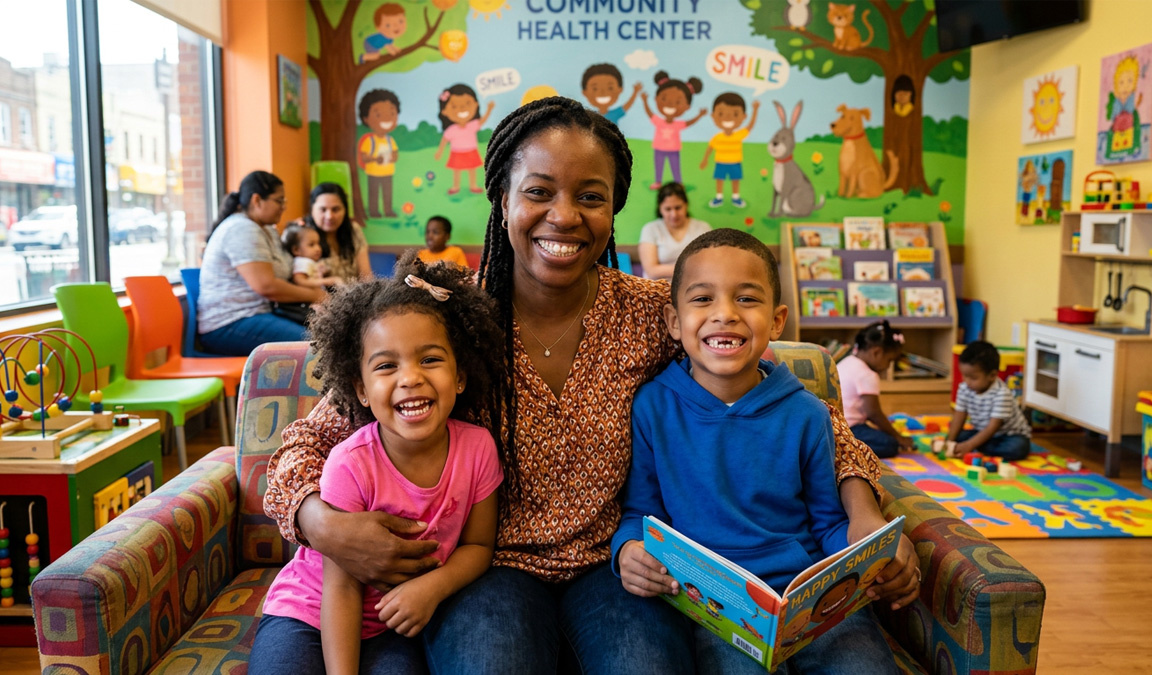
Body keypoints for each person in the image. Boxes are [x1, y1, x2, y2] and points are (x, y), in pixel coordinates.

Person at [263, 97, 918, 674]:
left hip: (615, 566)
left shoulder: (654, 311)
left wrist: (864, 512)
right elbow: (307, 439)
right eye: (539, 191)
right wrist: (321, 522)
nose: (564, 216)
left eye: (591, 196)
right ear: (502, 198)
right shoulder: (449, 320)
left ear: (613, 210)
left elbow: (805, 411)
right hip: (490, 569)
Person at [613, 229, 897, 674]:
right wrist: (627, 548)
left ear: (777, 320)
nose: (724, 314)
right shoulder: (652, 406)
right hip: (717, 607)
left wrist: (869, 558)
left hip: (809, 598)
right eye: (703, 299)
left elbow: (826, 522)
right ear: (673, 320)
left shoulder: (806, 413)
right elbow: (642, 512)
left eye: (746, 299)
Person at [249, 256, 507, 674]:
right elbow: (341, 588)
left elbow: (478, 547)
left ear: (461, 376)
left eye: (430, 360)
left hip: (392, 622)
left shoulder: (478, 449)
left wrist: (430, 588)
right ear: (361, 391)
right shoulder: (349, 464)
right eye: (387, 366)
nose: (410, 378)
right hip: (310, 609)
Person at [198, 171, 324, 356]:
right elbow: (266, 286)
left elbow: (287, 271)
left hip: (261, 314)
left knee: (329, 333)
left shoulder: (267, 230)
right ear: (257, 200)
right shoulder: (242, 228)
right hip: (229, 323)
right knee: (317, 347)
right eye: (279, 201)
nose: (283, 207)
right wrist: (315, 295)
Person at [838, 321, 915, 459]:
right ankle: (845, 449)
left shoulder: (847, 361)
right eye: (889, 360)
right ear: (876, 352)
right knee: (889, 444)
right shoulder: (867, 374)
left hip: (834, 426)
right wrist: (898, 437)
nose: (888, 365)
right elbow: (873, 413)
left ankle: (841, 445)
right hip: (850, 428)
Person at [947, 340, 1032, 461]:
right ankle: (980, 446)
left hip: (1008, 435)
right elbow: (959, 415)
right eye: (964, 375)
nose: (967, 381)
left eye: (973, 378)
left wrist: (969, 445)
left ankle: (978, 446)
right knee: (958, 435)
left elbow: (993, 427)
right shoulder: (964, 388)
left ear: (992, 375)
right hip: (982, 432)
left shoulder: (1001, 394)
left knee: (1018, 448)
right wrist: (949, 441)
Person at [639, 70, 707, 190]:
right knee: (659, 166)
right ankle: (658, 182)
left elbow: (689, 122)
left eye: (678, 102)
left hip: (673, 150)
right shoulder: (659, 121)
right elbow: (650, 113)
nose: (670, 104)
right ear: (656, 99)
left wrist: (700, 116)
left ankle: (678, 182)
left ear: (687, 106)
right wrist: (644, 101)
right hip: (659, 149)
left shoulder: (678, 124)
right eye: (664, 99)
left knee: (675, 166)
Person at [302, 183, 375, 283]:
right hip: (320, 297)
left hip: (355, 295)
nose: (329, 216)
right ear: (312, 210)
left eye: (335, 209)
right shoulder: (302, 234)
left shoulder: (354, 230)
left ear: (345, 210)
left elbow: (366, 277)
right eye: (323, 210)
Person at [638, 183, 711, 280]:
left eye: (678, 208)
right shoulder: (650, 229)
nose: (674, 214)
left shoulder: (703, 228)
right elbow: (651, 271)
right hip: (658, 290)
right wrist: (691, 269)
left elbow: (710, 265)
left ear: (686, 205)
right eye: (668, 209)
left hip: (695, 287)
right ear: (660, 209)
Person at [700, 92, 760, 208]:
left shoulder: (739, 135)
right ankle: (719, 197)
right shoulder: (717, 137)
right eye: (721, 113)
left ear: (743, 116)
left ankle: (736, 197)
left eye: (735, 114)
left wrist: (755, 110)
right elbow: (710, 148)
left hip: (735, 163)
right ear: (713, 116)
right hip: (720, 162)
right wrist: (705, 160)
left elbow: (750, 126)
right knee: (719, 180)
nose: (727, 118)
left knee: (735, 180)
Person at [434, 84, 496, 195]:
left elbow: (483, 120)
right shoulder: (451, 129)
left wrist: (489, 109)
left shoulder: (472, 125)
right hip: (457, 152)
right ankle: (455, 186)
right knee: (457, 170)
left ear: (476, 105)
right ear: (445, 111)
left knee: (471, 169)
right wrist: (440, 152)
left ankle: (473, 186)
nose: (462, 108)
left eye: (467, 103)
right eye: (454, 106)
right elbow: (444, 140)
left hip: (471, 151)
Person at [359, 89, 401, 219]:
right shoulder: (369, 140)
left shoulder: (390, 140)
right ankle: (374, 211)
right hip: (373, 173)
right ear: (366, 119)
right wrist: (375, 159)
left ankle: (388, 210)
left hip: (388, 172)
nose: (386, 118)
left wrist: (393, 157)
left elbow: (395, 153)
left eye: (392, 113)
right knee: (373, 193)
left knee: (388, 193)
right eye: (378, 115)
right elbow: (364, 156)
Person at [282, 223, 343, 289]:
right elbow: (299, 281)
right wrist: (327, 281)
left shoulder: (309, 261)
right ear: (296, 250)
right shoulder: (302, 261)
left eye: (318, 243)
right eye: (311, 245)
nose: (318, 248)